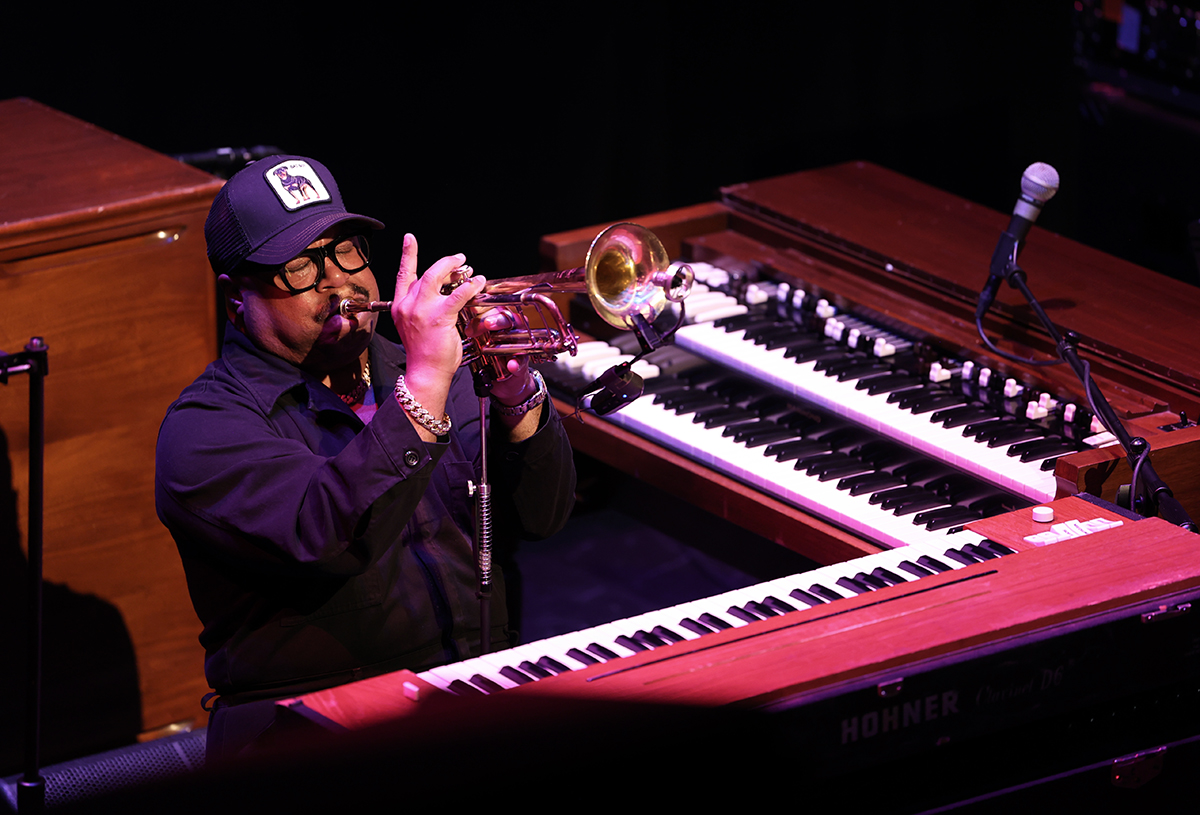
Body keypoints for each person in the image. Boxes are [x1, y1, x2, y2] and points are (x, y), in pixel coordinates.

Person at [155, 156, 576, 758]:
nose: (337, 284)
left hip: (473, 699)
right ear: (234, 300)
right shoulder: (205, 431)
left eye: (345, 252)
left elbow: (542, 517)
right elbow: (330, 535)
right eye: (298, 267)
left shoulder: (425, 368)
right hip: (307, 741)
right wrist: (427, 382)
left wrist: (517, 401)